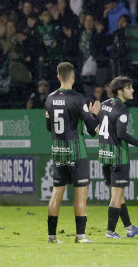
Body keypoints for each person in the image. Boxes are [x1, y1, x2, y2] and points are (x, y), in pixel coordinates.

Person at [45, 61, 100, 244]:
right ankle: (80, 235)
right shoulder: (78, 99)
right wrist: (94, 114)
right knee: (80, 193)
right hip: (77, 152)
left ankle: (52, 236)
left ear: (58, 76)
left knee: (56, 193)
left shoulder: (49, 99)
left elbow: (48, 126)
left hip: (58, 152)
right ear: (74, 77)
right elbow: (92, 127)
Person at [98, 76, 138, 239]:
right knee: (116, 198)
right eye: (129, 87)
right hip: (118, 157)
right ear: (119, 91)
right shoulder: (122, 108)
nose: (132, 90)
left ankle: (130, 228)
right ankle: (110, 232)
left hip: (105, 156)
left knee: (119, 196)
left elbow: (95, 129)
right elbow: (121, 133)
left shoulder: (103, 105)